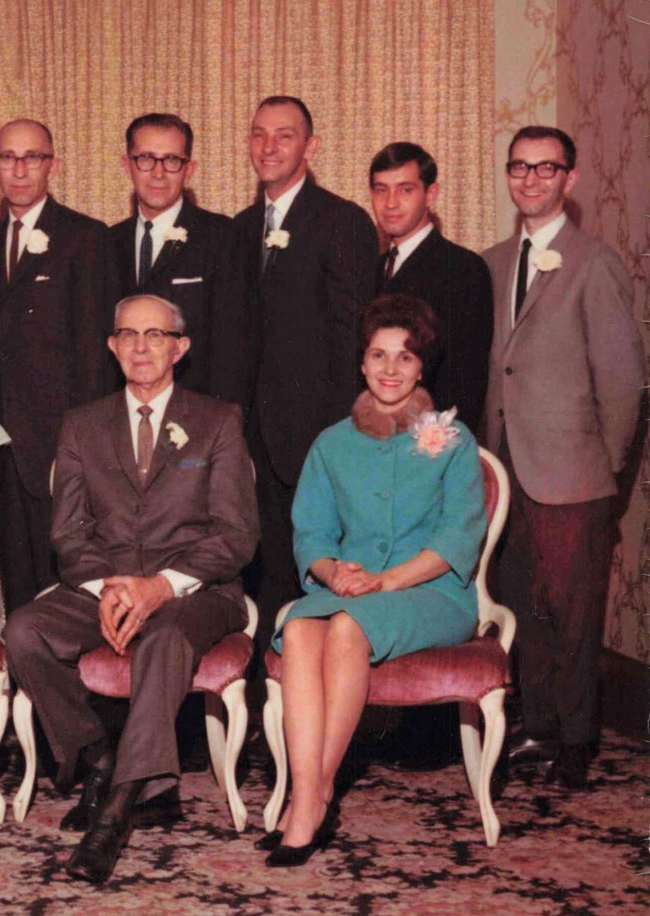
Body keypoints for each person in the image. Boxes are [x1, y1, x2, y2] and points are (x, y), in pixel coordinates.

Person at [4, 294, 258, 884]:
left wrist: (160, 588)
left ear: (180, 348)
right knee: (24, 630)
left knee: (164, 637)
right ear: (113, 347)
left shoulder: (217, 421)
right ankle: (100, 757)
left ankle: (116, 812)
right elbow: (67, 533)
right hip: (105, 585)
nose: (142, 347)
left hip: (195, 592)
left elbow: (237, 535)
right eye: (129, 335)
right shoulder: (82, 425)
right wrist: (110, 590)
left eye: (155, 335)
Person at [267, 294, 486, 866]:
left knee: (343, 629)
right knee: (298, 628)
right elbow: (310, 535)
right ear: (362, 364)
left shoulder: (453, 442)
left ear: (422, 367)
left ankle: (311, 796)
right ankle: (308, 792)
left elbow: (455, 542)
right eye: (378, 355)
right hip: (350, 591)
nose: (391, 369)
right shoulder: (331, 443)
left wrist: (383, 582)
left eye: (405, 357)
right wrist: (330, 570)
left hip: (432, 592)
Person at [483, 126, 645, 788]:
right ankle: (539, 725)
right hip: (505, 468)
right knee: (521, 603)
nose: (530, 180)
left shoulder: (595, 262)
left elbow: (625, 383)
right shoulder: (491, 263)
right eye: (519, 168)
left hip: (573, 473)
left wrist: (602, 473)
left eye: (545, 169)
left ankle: (578, 737)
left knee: (574, 611)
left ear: (569, 179)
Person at [231, 95, 377, 652]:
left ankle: (322, 717)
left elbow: (355, 341)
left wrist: (341, 441)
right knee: (262, 578)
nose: (269, 147)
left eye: (284, 135)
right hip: (252, 443)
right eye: (258, 134)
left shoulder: (342, 221)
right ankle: (266, 710)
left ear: (311, 147)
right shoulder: (240, 229)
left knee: (319, 584)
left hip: (319, 438)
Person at [0, 118, 116, 610]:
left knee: (62, 581)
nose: (19, 169)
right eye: (7, 158)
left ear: (53, 165)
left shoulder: (86, 238)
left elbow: (95, 358)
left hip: (57, 444)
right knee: (6, 579)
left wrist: (80, 450)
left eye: (32, 157)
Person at [109, 113, 243, 399]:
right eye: (145, 158)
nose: (158, 173)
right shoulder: (107, 242)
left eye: (171, 161)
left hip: (198, 414)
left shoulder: (222, 236)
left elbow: (233, 347)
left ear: (189, 169)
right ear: (126, 165)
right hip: (122, 418)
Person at [369, 141, 492, 431]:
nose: (391, 203)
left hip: (427, 446)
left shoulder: (462, 269)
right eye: (380, 189)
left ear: (431, 194)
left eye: (405, 189)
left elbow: (464, 380)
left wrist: (441, 452)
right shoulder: (372, 268)